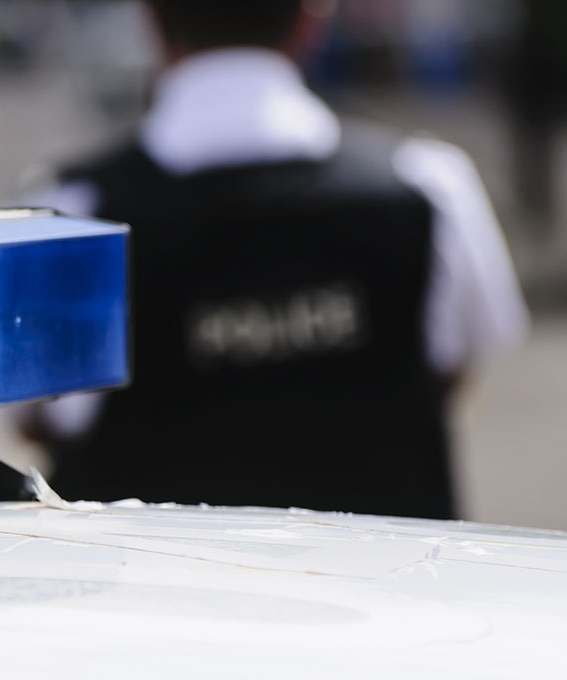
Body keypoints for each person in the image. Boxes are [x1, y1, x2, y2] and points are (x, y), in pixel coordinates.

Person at [27, 0, 529, 519]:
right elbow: (453, 368)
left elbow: (37, 418)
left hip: (154, 592)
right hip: (386, 588)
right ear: (313, 19)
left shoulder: (73, 214)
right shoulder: (424, 188)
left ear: (150, 19)